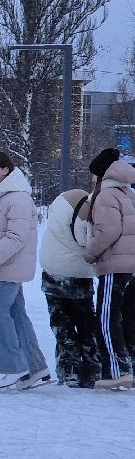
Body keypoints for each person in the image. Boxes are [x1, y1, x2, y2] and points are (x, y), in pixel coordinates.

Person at [0, 151, 53, 391]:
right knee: (17, 314)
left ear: (6, 171)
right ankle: (35, 367)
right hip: (5, 264)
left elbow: (16, 237)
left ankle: (13, 367)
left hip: (11, 264)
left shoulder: (17, 198)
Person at [80, 148, 135, 389]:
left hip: (115, 264)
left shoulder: (105, 196)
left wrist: (90, 253)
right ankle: (129, 367)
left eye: (94, 175)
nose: (92, 180)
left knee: (106, 317)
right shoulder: (127, 194)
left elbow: (108, 231)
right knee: (127, 318)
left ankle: (117, 371)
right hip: (130, 265)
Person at [39, 180, 100, 389]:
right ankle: (93, 368)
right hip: (79, 275)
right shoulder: (88, 212)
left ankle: (69, 369)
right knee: (85, 322)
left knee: (61, 322)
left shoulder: (60, 202)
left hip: (52, 272)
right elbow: (86, 241)